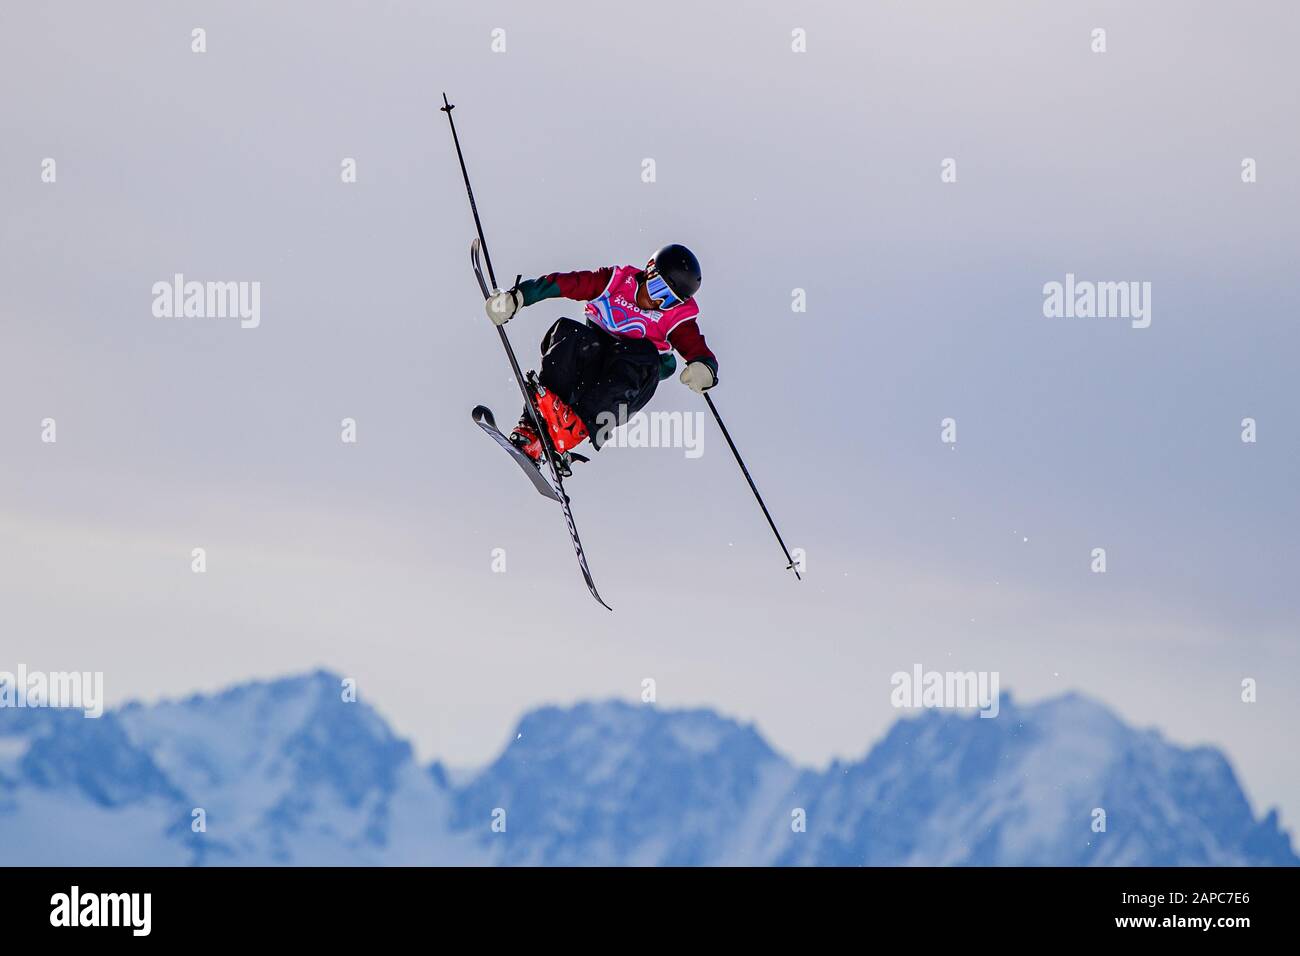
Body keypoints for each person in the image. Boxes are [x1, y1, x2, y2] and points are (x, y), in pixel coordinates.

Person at [484, 243, 718, 465]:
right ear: (648, 271)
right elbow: (567, 284)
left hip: (621, 390)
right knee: (569, 330)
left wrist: (705, 367)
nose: (656, 301)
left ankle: (577, 425)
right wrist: (520, 297)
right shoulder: (615, 283)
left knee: (643, 353)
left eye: (668, 301)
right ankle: (535, 426)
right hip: (589, 369)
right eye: (658, 289)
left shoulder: (675, 320)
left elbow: (695, 346)